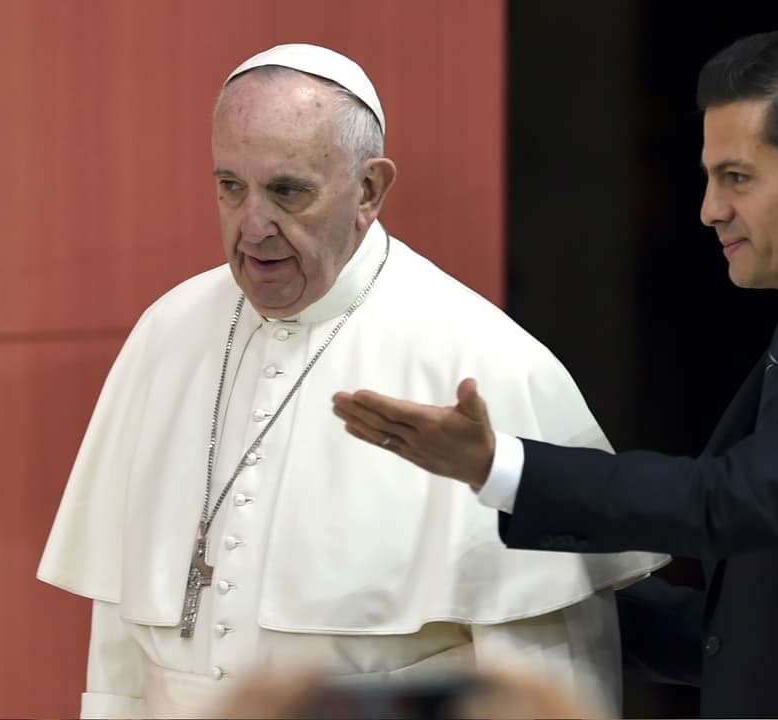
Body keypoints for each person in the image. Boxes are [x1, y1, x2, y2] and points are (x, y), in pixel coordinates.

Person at [333, 27, 778, 719]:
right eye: (710, 176)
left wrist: (498, 464)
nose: (709, 209)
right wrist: (530, 599)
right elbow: (751, 635)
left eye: (738, 177)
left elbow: (726, 503)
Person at [37, 43, 666, 718]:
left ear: (368, 188)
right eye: (230, 187)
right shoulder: (167, 335)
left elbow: (549, 673)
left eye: (287, 192)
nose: (253, 228)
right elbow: (117, 652)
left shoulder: (480, 360)